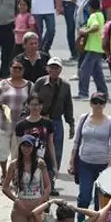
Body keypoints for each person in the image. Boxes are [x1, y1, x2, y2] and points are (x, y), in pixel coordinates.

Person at [69, 92, 111, 222]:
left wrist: (110, 165)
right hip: (85, 162)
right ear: (90, 103)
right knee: (84, 196)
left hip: (102, 164)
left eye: (101, 102)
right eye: (95, 102)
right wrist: (71, 161)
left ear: (104, 104)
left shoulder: (110, 121)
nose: (97, 105)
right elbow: (77, 141)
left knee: (99, 200)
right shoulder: (84, 118)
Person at [33, 57, 75, 195]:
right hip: (40, 120)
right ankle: (35, 182)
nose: (54, 70)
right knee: (37, 151)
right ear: (47, 69)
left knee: (55, 153)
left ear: (61, 70)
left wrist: (71, 124)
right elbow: (31, 101)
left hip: (56, 122)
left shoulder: (65, 86)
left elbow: (68, 106)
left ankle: (50, 184)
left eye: (56, 68)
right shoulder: (40, 82)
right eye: (51, 67)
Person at [0, 58, 32, 178]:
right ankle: (4, 173)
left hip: (21, 126)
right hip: (3, 124)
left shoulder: (29, 85)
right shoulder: (2, 84)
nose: (17, 70)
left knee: (17, 153)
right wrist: (0, 106)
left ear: (23, 70)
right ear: (10, 69)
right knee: (2, 151)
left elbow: (34, 102)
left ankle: (14, 175)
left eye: (19, 68)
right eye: (14, 67)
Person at [15, 94, 56, 187]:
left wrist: (54, 166)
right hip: (27, 164)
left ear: (41, 106)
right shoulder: (21, 125)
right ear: (28, 106)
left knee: (46, 190)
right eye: (32, 104)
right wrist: (16, 166)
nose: (35, 107)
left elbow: (50, 144)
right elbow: (17, 146)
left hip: (45, 162)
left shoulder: (48, 123)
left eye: (38, 104)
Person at [77, 0, 109, 97]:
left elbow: (95, 27)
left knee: (84, 70)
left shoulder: (94, 16)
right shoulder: (101, 15)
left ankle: (83, 92)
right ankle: (103, 91)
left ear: (90, 7)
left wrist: (84, 31)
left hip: (93, 47)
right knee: (96, 72)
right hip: (98, 47)